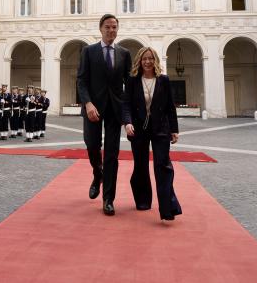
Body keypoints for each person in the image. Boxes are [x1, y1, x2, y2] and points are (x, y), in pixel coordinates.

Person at [76, 14, 131, 216]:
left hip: (114, 110)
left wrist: (128, 111)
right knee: (92, 145)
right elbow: (81, 80)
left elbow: (129, 83)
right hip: (93, 107)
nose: (111, 30)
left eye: (114, 27)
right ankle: (97, 174)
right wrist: (88, 103)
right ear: (100, 29)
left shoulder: (124, 53)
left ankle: (108, 198)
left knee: (112, 154)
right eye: (107, 27)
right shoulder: (88, 51)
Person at [122, 47, 182, 221]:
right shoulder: (132, 80)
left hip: (161, 129)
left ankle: (168, 208)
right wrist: (128, 122)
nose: (147, 62)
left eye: (150, 58)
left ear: (155, 60)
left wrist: (174, 129)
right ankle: (143, 200)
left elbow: (170, 106)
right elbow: (126, 105)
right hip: (138, 129)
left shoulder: (163, 80)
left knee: (163, 166)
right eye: (144, 59)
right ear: (139, 61)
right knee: (140, 165)